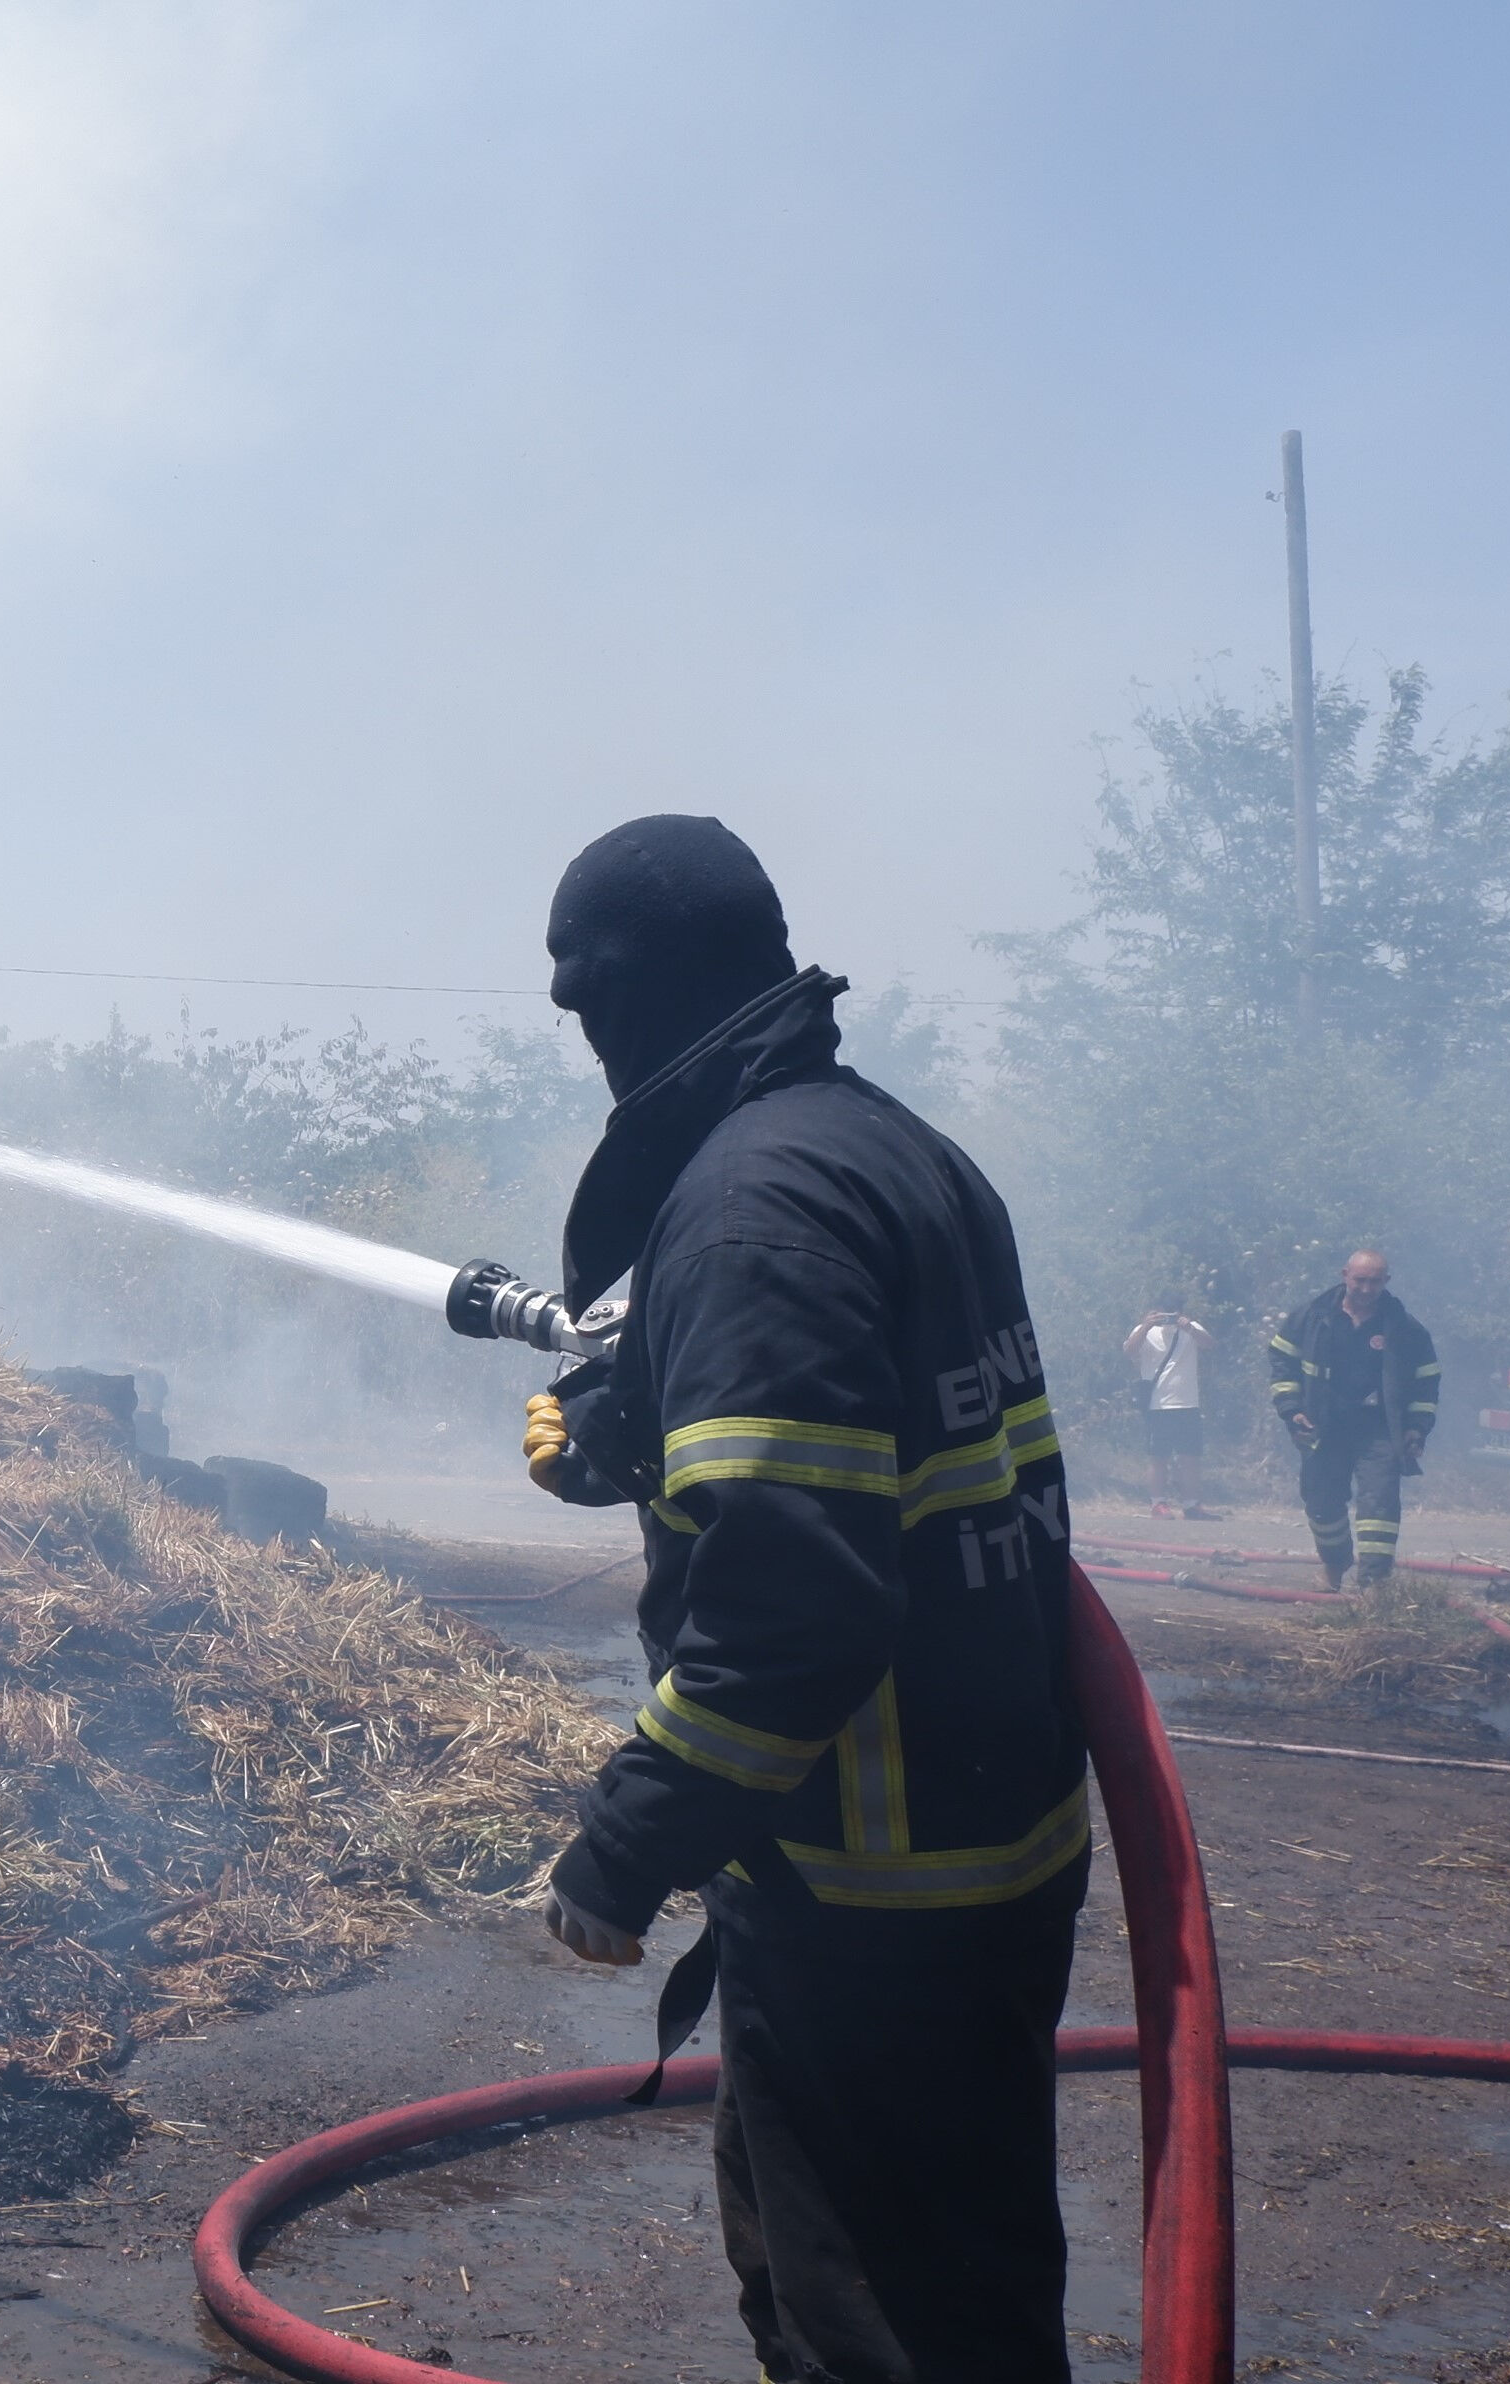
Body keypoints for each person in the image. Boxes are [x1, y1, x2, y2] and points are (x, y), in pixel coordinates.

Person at [510, 815, 1085, 2384]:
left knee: (886, 2337)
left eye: (585, 1005)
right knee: (907, 2300)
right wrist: (645, 1434)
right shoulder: (885, 1149)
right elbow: (869, 1470)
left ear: (626, 991)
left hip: (875, 1896)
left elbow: (798, 1608)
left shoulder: (750, 1212)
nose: (587, 1043)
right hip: (977, 1850)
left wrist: (629, 1841)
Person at [1267, 1248, 1441, 1591]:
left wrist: (1417, 1428)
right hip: (1324, 1425)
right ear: (1344, 1274)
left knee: (1379, 1505)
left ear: (1386, 1282)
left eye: (1374, 1282)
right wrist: (1291, 1406)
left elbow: (1427, 1380)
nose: (1366, 1288)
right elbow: (1281, 1357)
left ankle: (1374, 1584)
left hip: (1378, 1429)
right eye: (1360, 1280)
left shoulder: (1404, 1328)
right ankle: (1335, 1564)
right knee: (1321, 1502)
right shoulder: (1313, 1316)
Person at [1123, 1305, 1220, 1518]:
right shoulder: (1144, 1330)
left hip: (1188, 1403)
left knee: (1190, 1456)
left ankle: (1192, 1505)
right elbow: (1129, 1351)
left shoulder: (1191, 1328)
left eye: (1172, 1314)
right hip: (1158, 1405)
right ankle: (1158, 1504)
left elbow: (1210, 1344)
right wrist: (1146, 1325)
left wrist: (1189, 1328)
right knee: (1158, 1457)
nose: (1167, 1318)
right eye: (1164, 1313)